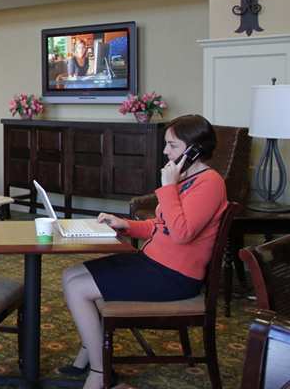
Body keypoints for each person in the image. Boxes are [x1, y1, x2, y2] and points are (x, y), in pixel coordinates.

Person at [59, 115, 228, 389]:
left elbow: (182, 233)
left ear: (194, 150)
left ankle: (101, 374)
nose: (165, 151)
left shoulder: (210, 183)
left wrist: (168, 187)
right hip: (153, 263)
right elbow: (162, 225)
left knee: (79, 289)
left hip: (175, 276)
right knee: (71, 275)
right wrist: (125, 224)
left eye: (172, 145)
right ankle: (91, 351)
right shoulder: (187, 178)